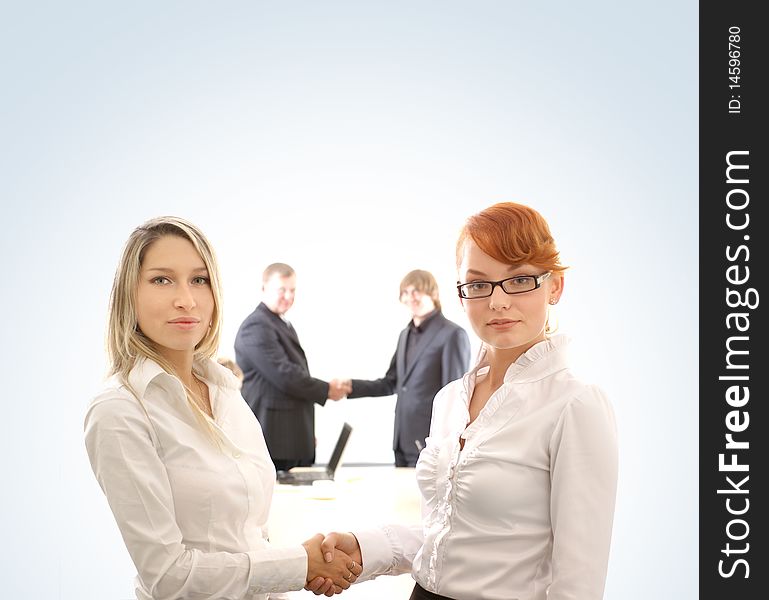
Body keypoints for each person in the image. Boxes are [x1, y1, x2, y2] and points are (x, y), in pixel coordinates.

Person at [311, 202, 618, 599]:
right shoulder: (450, 400)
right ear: (461, 294)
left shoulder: (575, 405)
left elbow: (579, 583)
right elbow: (449, 535)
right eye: (478, 284)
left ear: (554, 286)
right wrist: (364, 545)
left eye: (520, 280)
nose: (498, 302)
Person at [84, 217, 362, 600]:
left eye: (199, 280)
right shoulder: (120, 410)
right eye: (162, 279)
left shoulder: (224, 388)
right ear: (128, 294)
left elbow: (248, 537)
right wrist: (298, 565)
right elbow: (168, 577)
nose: (186, 299)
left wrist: (303, 564)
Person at [338, 269, 471, 467]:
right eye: (406, 292)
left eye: (416, 290)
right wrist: (351, 386)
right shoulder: (405, 334)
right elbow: (391, 383)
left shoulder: (452, 334)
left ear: (432, 293)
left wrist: (447, 445)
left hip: (431, 443)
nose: (411, 297)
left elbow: (454, 398)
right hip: (402, 440)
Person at [234, 263, 351, 472]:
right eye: (282, 290)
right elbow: (285, 376)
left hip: (289, 437)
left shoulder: (280, 323)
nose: (288, 296)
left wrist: (303, 430)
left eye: (292, 290)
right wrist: (327, 390)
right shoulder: (257, 326)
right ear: (263, 289)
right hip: (276, 441)